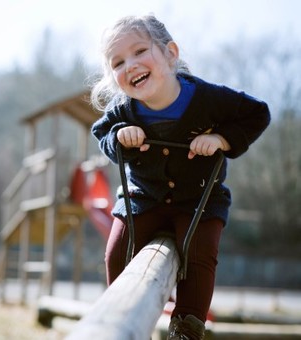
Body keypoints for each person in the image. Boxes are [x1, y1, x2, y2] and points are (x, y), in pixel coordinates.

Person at [90, 14, 270, 340]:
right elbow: (102, 132)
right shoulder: (124, 110)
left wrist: (222, 140)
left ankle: (187, 326)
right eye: (117, 62)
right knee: (117, 250)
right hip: (142, 197)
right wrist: (119, 135)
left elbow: (258, 113)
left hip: (199, 200)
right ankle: (119, 318)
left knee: (200, 253)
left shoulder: (208, 99)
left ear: (171, 53)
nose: (129, 65)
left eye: (140, 51)